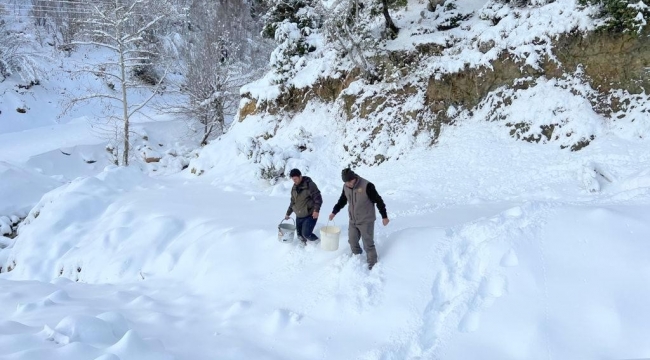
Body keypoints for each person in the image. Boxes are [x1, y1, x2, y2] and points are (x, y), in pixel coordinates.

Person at [329, 168, 389, 270]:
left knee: (368, 243)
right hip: (353, 220)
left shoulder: (367, 186)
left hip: (366, 220)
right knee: (352, 241)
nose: (348, 184)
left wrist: (384, 216)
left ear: (354, 178)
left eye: (349, 181)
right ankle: (357, 256)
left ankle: (372, 264)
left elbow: (379, 201)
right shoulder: (346, 187)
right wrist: (334, 212)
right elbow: (342, 200)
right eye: (345, 182)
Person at [285, 168, 322, 245]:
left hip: (310, 214)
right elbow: (292, 202)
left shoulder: (310, 185)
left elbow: (318, 198)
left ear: (300, 176)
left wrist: (316, 210)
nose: (294, 181)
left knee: (306, 234)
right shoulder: (294, 187)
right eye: (292, 179)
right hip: (299, 215)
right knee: (300, 235)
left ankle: (318, 244)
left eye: (295, 179)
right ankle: (304, 245)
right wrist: (288, 213)